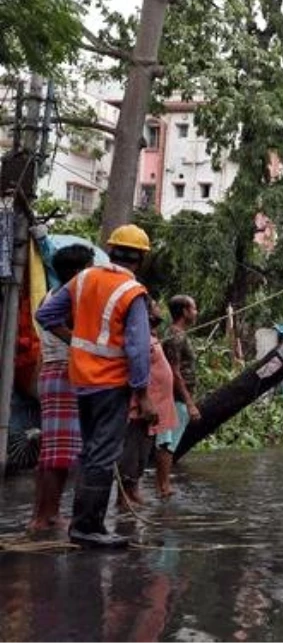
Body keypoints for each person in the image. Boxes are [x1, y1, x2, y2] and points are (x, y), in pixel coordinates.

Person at [36, 224, 156, 548]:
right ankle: (88, 527)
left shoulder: (83, 279)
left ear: (110, 249)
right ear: (141, 258)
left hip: (82, 381)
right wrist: (143, 394)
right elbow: (137, 348)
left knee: (90, 452)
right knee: (103, 454)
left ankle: (82, 524)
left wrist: (75, 342)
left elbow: (45, 314)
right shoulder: (132, 292)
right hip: (111, 384)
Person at [27, 244, 95, 533]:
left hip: (53, 374)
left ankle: (45, 514)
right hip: (65, 374)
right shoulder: (70, 298)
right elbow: (68, 332)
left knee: (53, 451)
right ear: (79, 271)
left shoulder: (51, 296)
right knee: (59, 455)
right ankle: (45, 517)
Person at [117, 300, 175, 508]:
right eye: (155, 305)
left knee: (143, 451)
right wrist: (143, 399)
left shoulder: (150, 335)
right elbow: (136, 365)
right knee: (132, 450)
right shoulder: (140, 337)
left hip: (155, 405)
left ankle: (133, 492)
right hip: (142, 404)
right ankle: (123, 497)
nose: (160, 307)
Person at [158, 294, 201, 498]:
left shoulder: (177, 334)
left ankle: (163, 485)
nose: (196, 312)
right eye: (193, 308)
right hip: (175, 398)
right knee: (168, 442)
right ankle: (164, 487)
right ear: (184, 312)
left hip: (178, 397)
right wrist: (189, 402)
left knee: (169, 442)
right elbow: (174, 371)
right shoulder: (176, 336)